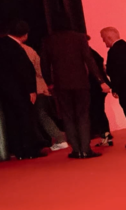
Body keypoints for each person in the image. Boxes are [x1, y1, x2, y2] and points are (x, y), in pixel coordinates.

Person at [41, 28, 109, 159]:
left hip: (61, 84)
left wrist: (49, 82)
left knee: (68, 117)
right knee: (83, 116)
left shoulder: (49, 41)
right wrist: (100, 80)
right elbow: (89, 60)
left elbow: (44, 64)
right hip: (80, 83)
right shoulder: (79, 38)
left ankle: (76, 150)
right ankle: (85, 149)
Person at [11, 22, 68, 151]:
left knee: (41, 115)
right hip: (40, 87)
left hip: (35, 88)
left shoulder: (20, 50)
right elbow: (40, 69)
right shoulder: (29, 50)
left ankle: (58, 137)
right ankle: (56, 137)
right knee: (42, 114)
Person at [0, 21, 44, 159]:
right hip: (20, 90)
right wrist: (31, 89)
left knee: (12, 120)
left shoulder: (1, 44)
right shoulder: (15, 48)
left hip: (4, 91)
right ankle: (30, 150)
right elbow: (24, 70)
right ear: (24, 34)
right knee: (26, 119)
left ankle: (18, 151)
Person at [86, 36, 114, 147]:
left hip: (96, 86)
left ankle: (105, 135)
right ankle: (105, 135)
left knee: (97, 111)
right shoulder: (92, 53)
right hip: (100, 85)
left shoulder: (88, 54)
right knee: (99, 110)